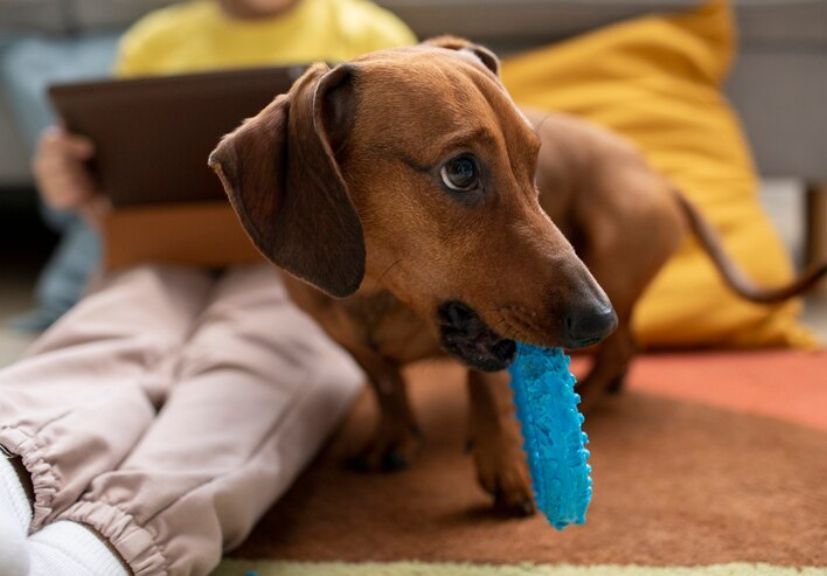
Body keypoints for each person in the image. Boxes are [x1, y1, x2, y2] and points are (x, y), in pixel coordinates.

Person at [0, 1, 416, 574]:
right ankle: (8, 468)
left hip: (298, 267)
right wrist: (75, 183)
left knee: (265, 355)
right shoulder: (156, 41)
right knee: (112, 330)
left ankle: (91, 552)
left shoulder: (370, 34)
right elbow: (115, 202)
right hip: (162, 253)